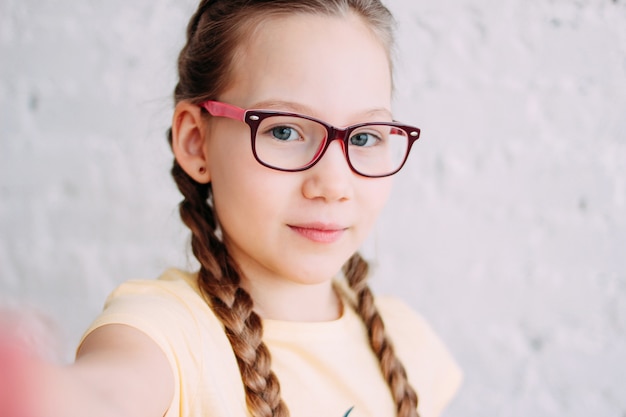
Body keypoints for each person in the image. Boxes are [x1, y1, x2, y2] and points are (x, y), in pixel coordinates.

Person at [0, 1, 462, 416]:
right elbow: (103, 396)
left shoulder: (408, 343)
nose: (333, 184)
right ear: (196, 142)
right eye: (284, 131)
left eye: (364, 138)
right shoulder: (170, 335)